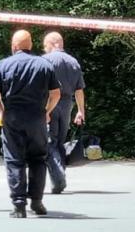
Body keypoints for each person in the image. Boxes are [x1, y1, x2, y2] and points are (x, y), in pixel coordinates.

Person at [0, 30, 60, 219]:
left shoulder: (3, 65)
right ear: (30, 45)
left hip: (13, 117)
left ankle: (19, 205)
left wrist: (2, 111)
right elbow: (56, 94)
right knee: (38, 158)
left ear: (14, 46)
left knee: (14, 159)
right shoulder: (44, 64)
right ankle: (36, 202)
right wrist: (47, 111)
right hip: (37, 116)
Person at [43, 31, 86, 194]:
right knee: (60, 141)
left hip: (51, 103)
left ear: (53, 43)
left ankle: (58, 177)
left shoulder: (45, 61)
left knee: (49, 142)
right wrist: (80, 111)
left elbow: (43, 88)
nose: (44, 48)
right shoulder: (73, 62)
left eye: (45, 45)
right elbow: (79, 90)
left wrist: (45, 109)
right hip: (67, 104)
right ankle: (60, 175)